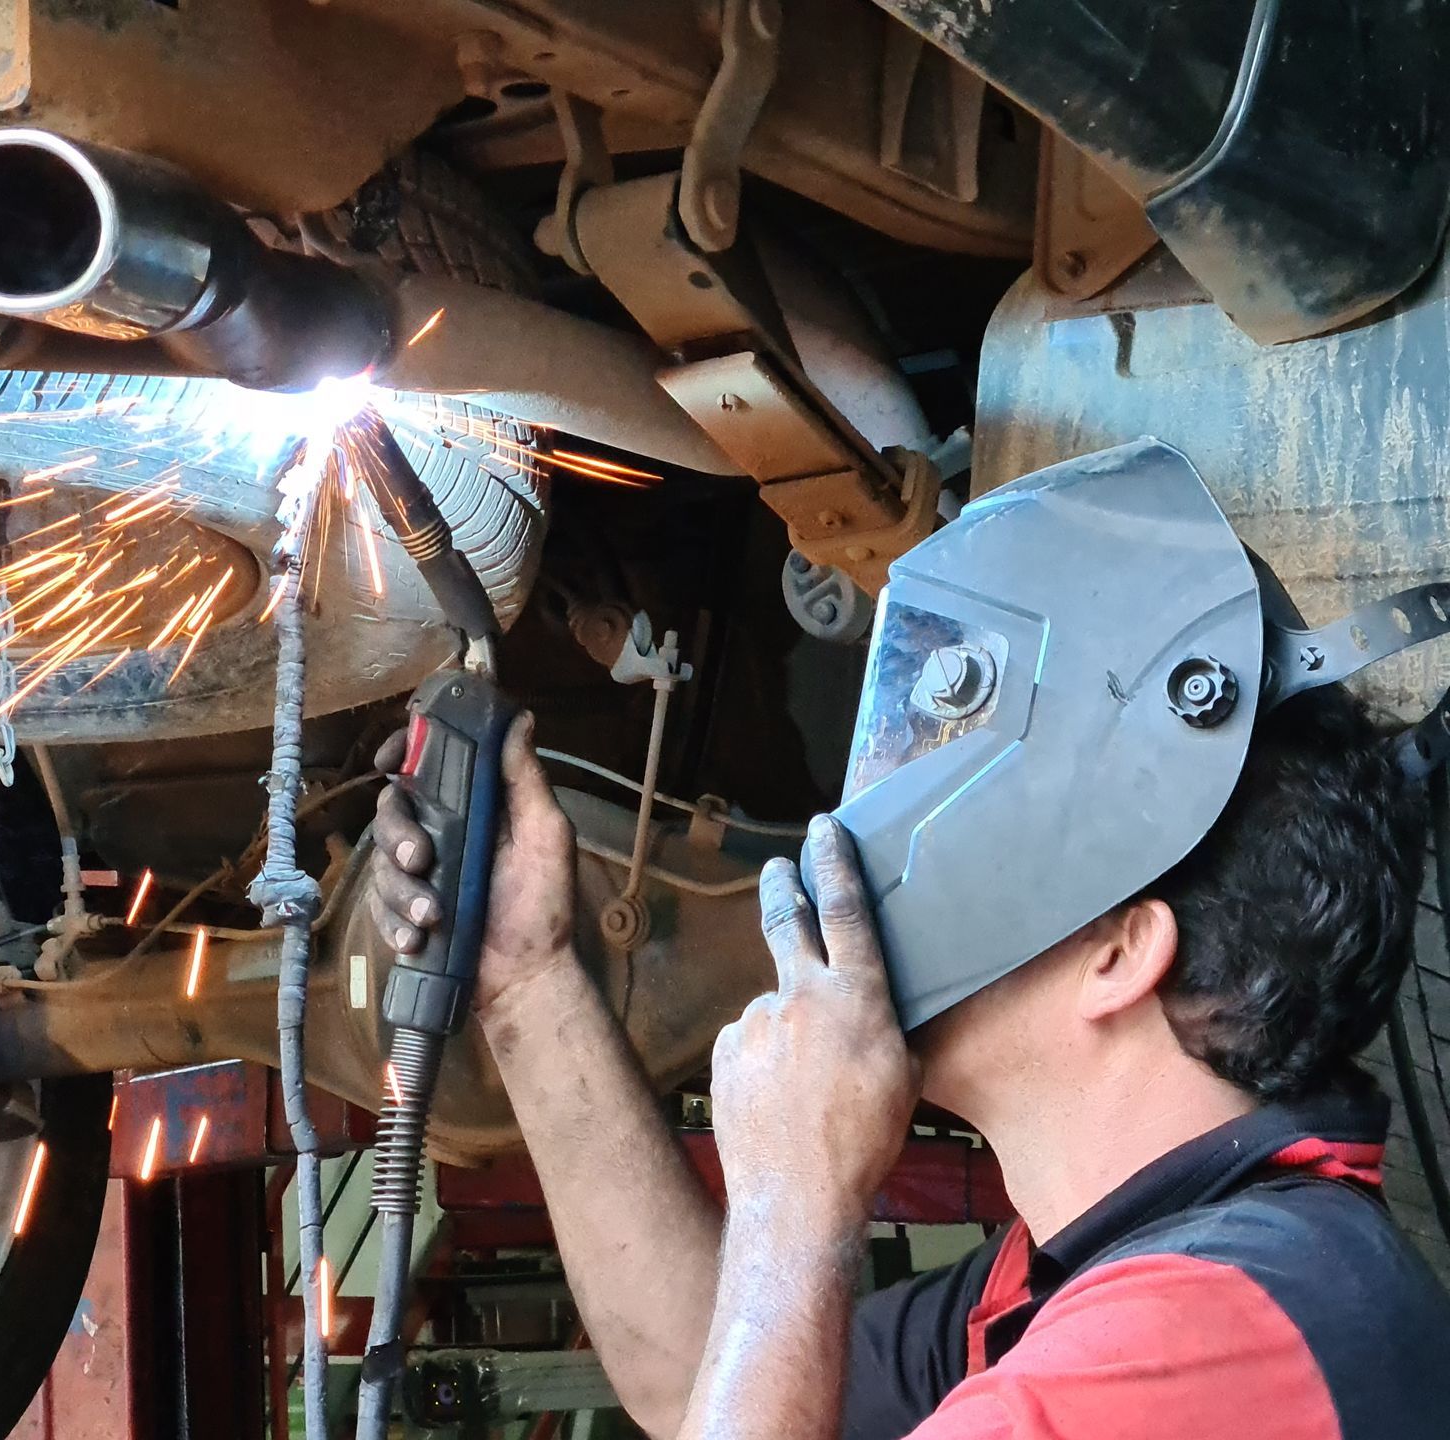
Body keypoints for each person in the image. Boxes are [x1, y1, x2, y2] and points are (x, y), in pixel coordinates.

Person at [367, 444, 1450, 1439]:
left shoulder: (1222, 1338)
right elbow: (704, 1371)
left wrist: (797, 1204)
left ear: (1121, 952)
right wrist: (526, 976)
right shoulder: (1093, 1277)